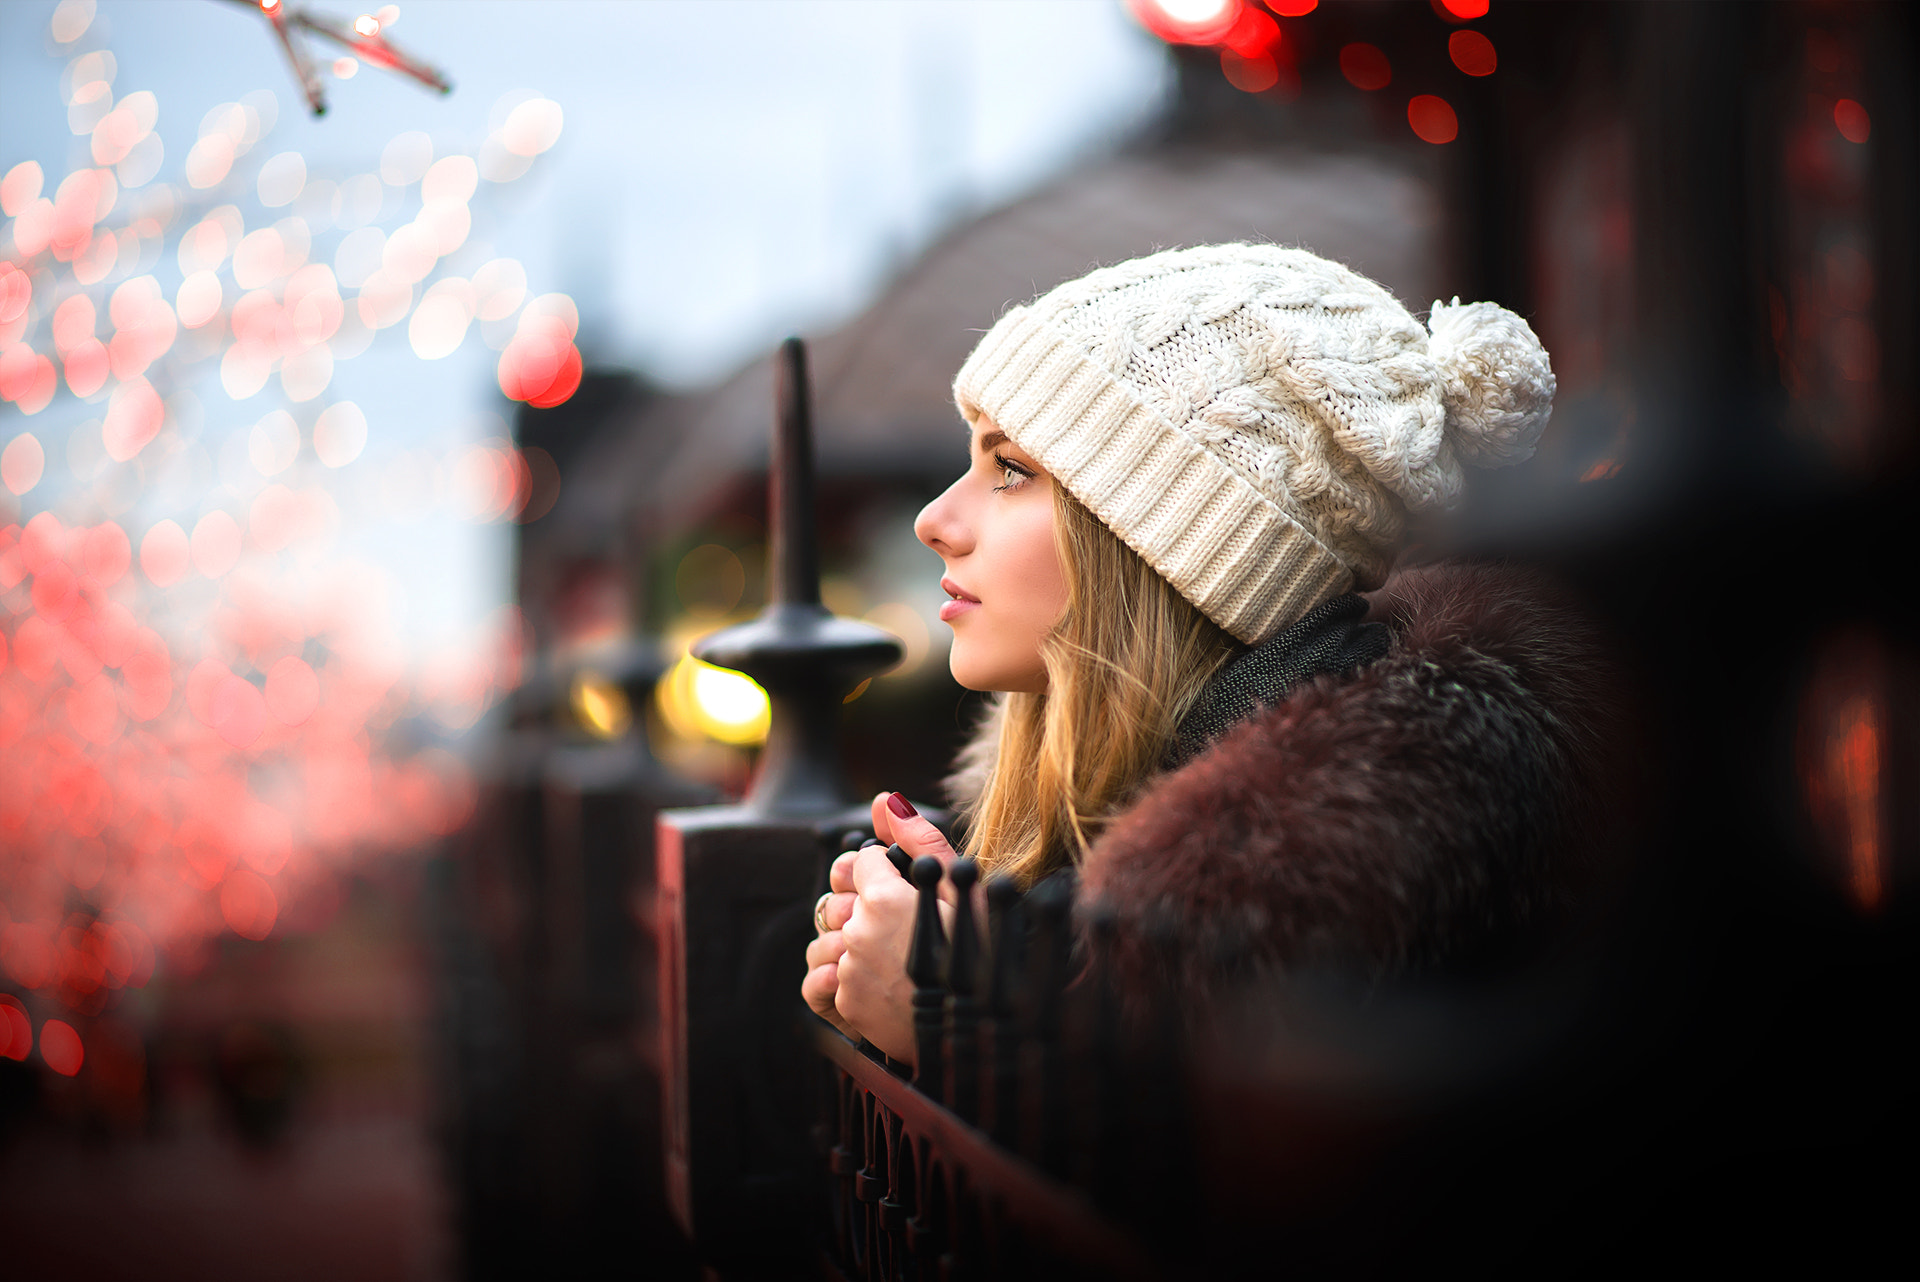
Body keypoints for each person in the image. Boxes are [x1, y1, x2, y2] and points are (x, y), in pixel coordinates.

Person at [802, 243, 1626, 1064]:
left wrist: (972, 1014)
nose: (935, 520)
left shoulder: (1356, 878)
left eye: (1011, 468)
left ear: (1171, 544)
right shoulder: (1103, 829)